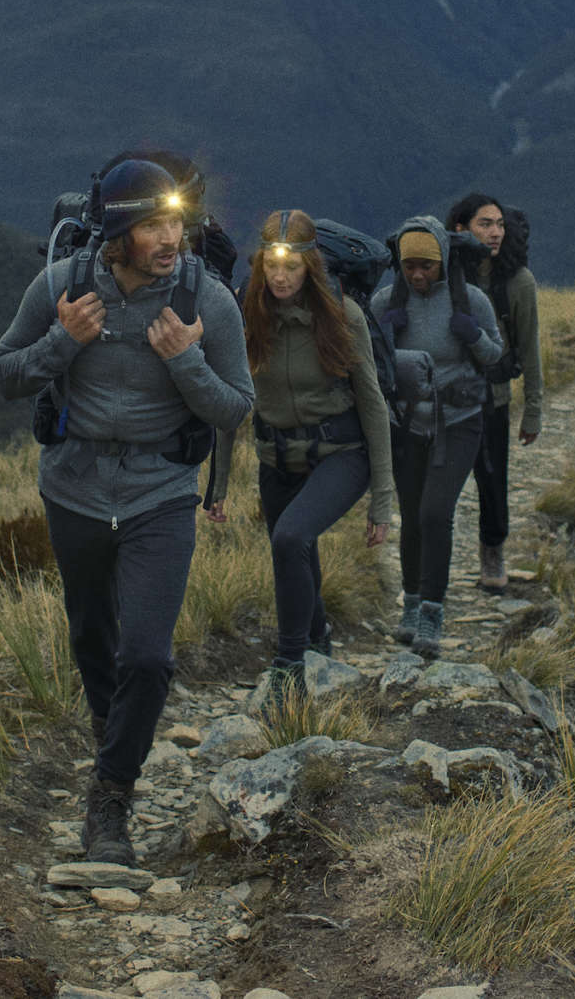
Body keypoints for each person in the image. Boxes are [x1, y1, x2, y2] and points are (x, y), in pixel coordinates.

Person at [0, 157, 254, 867]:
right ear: (116, 233)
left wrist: (185, 362)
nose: (171, 237)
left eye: (177, 222)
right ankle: (116, 732)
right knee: (91, 638)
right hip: (73, 485)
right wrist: (63, 340)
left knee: (146, 653)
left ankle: (110, 799)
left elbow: (236, 407)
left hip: (160, 492)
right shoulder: (63, 287)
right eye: (153, 225)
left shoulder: (208, 301)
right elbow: (3, 372)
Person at [207, 210, 396, 710]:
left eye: (291, 267)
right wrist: (218, 486)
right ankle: (318, 641)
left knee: (290, 537)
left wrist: (382, 501)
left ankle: (289, 665)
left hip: (342, 452)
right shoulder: (248, 317)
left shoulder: (342, 315)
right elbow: (232, 402)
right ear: (261, 264)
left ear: (310, 266)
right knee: (293, 547)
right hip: (276, 455)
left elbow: (374, 405)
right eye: (272, 265)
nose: (281, 276)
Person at [371, 218, 502, 657]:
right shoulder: (387, 301)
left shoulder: (472, 301)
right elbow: (366, 364)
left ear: (443, 260)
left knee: (434, 512)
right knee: (410, 515)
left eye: (426, 266)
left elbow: (495, 355)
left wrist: (475, 335)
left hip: (460, 420)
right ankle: (409, 606)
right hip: (408, 423)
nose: (418, 275)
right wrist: (383, 336)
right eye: (410, 266)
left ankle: (431, 611)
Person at [447, 192, 544, 594]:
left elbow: (529, 346)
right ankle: (428, 560)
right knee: (439, 482)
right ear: (461, 229)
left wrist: (533, 409)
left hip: (493, 398)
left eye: (500, 224)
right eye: (485, 224)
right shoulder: (447, 275)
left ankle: (492, 551)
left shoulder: (517, 281)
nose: (495, 232)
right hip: (447, 397)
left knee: (492, 479)